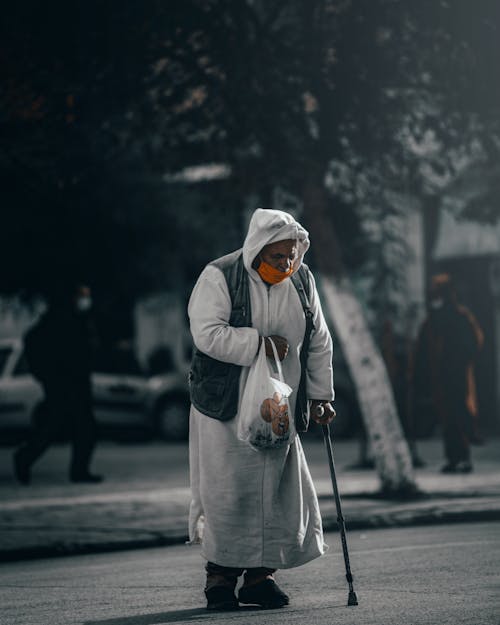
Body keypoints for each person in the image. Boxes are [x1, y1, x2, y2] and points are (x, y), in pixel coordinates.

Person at [188, 208, 335, 610]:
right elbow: (206, 334)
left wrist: (321, 396)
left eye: (291, 255)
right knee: (227, 493)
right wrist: (260, 343)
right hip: (227, 409)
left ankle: (260, 578)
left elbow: (319, 340)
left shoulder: (302, 281)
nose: (286, 263)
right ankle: (219, 580)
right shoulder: (220, 276)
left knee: (274, 494)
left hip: (278, 408)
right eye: (277, 257)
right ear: (258, 250)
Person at [13, 283, 103, 484]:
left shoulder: (77, 319)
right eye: (82, 296)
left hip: (75, 382)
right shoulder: (59, 321)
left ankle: (78, 471)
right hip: (63, 384)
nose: (85, 300)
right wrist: (47, 375)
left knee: (80, 427)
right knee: (58, 426)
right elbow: (37, 344)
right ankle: (25, 458)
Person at [412, 273, 483, 473]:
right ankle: (454, 458)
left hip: (456, 377)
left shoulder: (459, 317)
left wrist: (458, 362)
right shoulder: (437, 319)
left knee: (457, 416)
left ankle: (462, 458)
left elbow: (473, 343)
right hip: (442, 378)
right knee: (449, 419)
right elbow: (424, 349)